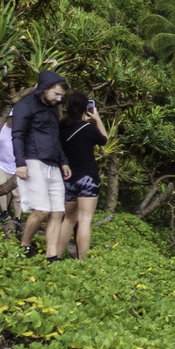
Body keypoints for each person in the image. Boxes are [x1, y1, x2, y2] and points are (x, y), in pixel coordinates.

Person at [9, 71, 72, 260]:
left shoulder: (54, 107)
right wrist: (20, 163)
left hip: (53, 162)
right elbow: (17, 135)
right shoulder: (24, 106)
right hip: (33, 160)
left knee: (58, 211)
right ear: (45, 89)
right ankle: (25, 244)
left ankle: (51, 255)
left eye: (62, 96)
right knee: (42, 210)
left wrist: (63, 161)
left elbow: (54, 136)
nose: (59, 99)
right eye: (56, 94)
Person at [57, 91, 108, 259]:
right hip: (88, 178)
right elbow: (104, 140)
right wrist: (97, 119)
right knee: (85, 220)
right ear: (86, 108)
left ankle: (56, 256)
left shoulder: (62, 128)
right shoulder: (88, 128)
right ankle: (82, 261)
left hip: (69, 178)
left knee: (68, 220)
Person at [0, 118, 21, 229]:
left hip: (16, 165)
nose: (13, 120)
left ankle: (17, 218)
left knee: (17, 195)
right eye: (11, 117)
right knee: (0, 185)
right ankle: (4, 211)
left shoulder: (21, 128)